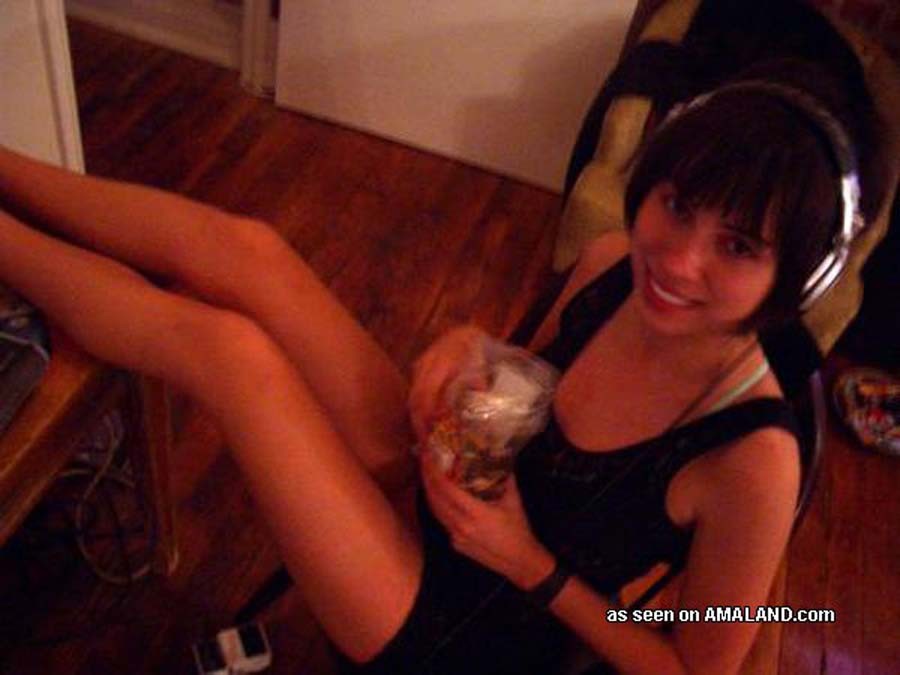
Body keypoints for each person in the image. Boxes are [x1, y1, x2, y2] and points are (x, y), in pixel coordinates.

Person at [0, 59, 883, 674]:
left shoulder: (754, 457)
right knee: (250, 251)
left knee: (230, 354)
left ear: (794, 278)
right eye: (678, 205)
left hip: (468, 631)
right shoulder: (612, 262)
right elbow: (524, 382)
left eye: (737, 246)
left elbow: (694, 668)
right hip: (452, 493)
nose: (679, 261)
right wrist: (469, 343)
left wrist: (531, 562)